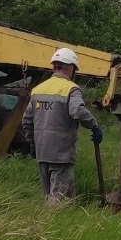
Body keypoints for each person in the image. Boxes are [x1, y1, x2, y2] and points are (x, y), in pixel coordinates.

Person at [22, 47, 103, 205]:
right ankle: (55, 227)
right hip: (61, 153)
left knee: (48, 197)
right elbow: (77, 111)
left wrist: (33, 145)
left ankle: (44, 226)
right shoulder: (71, 89)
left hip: (42, 152)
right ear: (71, 68)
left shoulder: (38, 90)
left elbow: (26, 121)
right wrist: (94, 125)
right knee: (60, 201)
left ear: (55, 66)